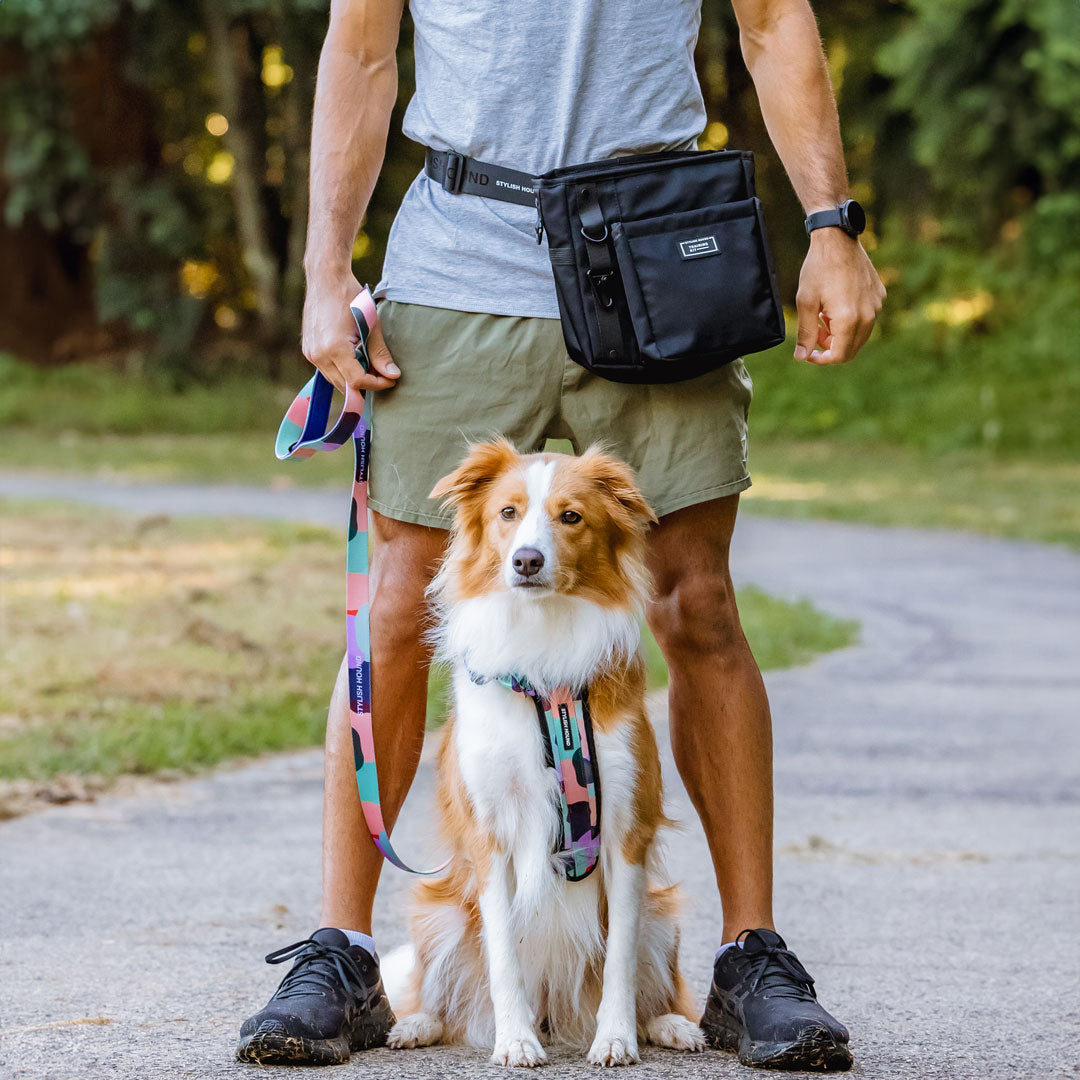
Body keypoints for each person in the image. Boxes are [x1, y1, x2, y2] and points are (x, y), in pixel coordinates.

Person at [236, 0, 885, 1071]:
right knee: (398, 604)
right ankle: (345, 953)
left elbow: (774, 25)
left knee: (698, 602)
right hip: (459, 262)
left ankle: (750, 957)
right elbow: (360, 49)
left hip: (657, 253)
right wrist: (324, 273)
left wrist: (831, 225)